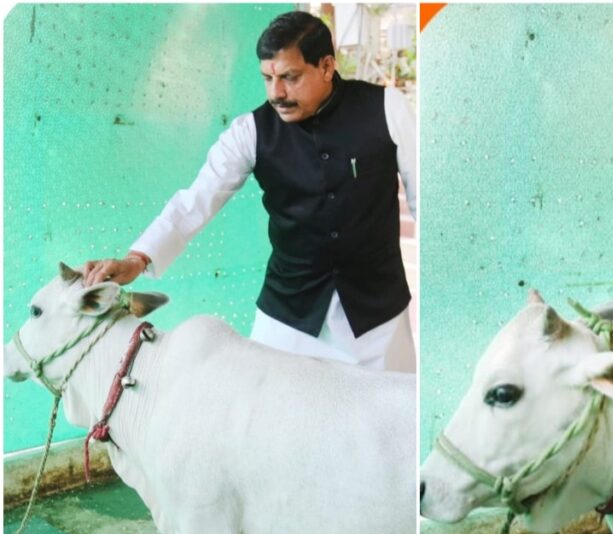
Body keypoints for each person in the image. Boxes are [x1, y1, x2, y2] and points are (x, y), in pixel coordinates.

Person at [82, 11, 418, 373]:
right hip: (287, 321)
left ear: (326, 66)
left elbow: (423, 200)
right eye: (268, 78)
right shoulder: (250, 132)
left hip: (378, 321)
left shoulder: (386, 108)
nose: (277, 93)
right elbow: (195, 201)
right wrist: (138, 259)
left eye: (291, 77)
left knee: (388, 426)